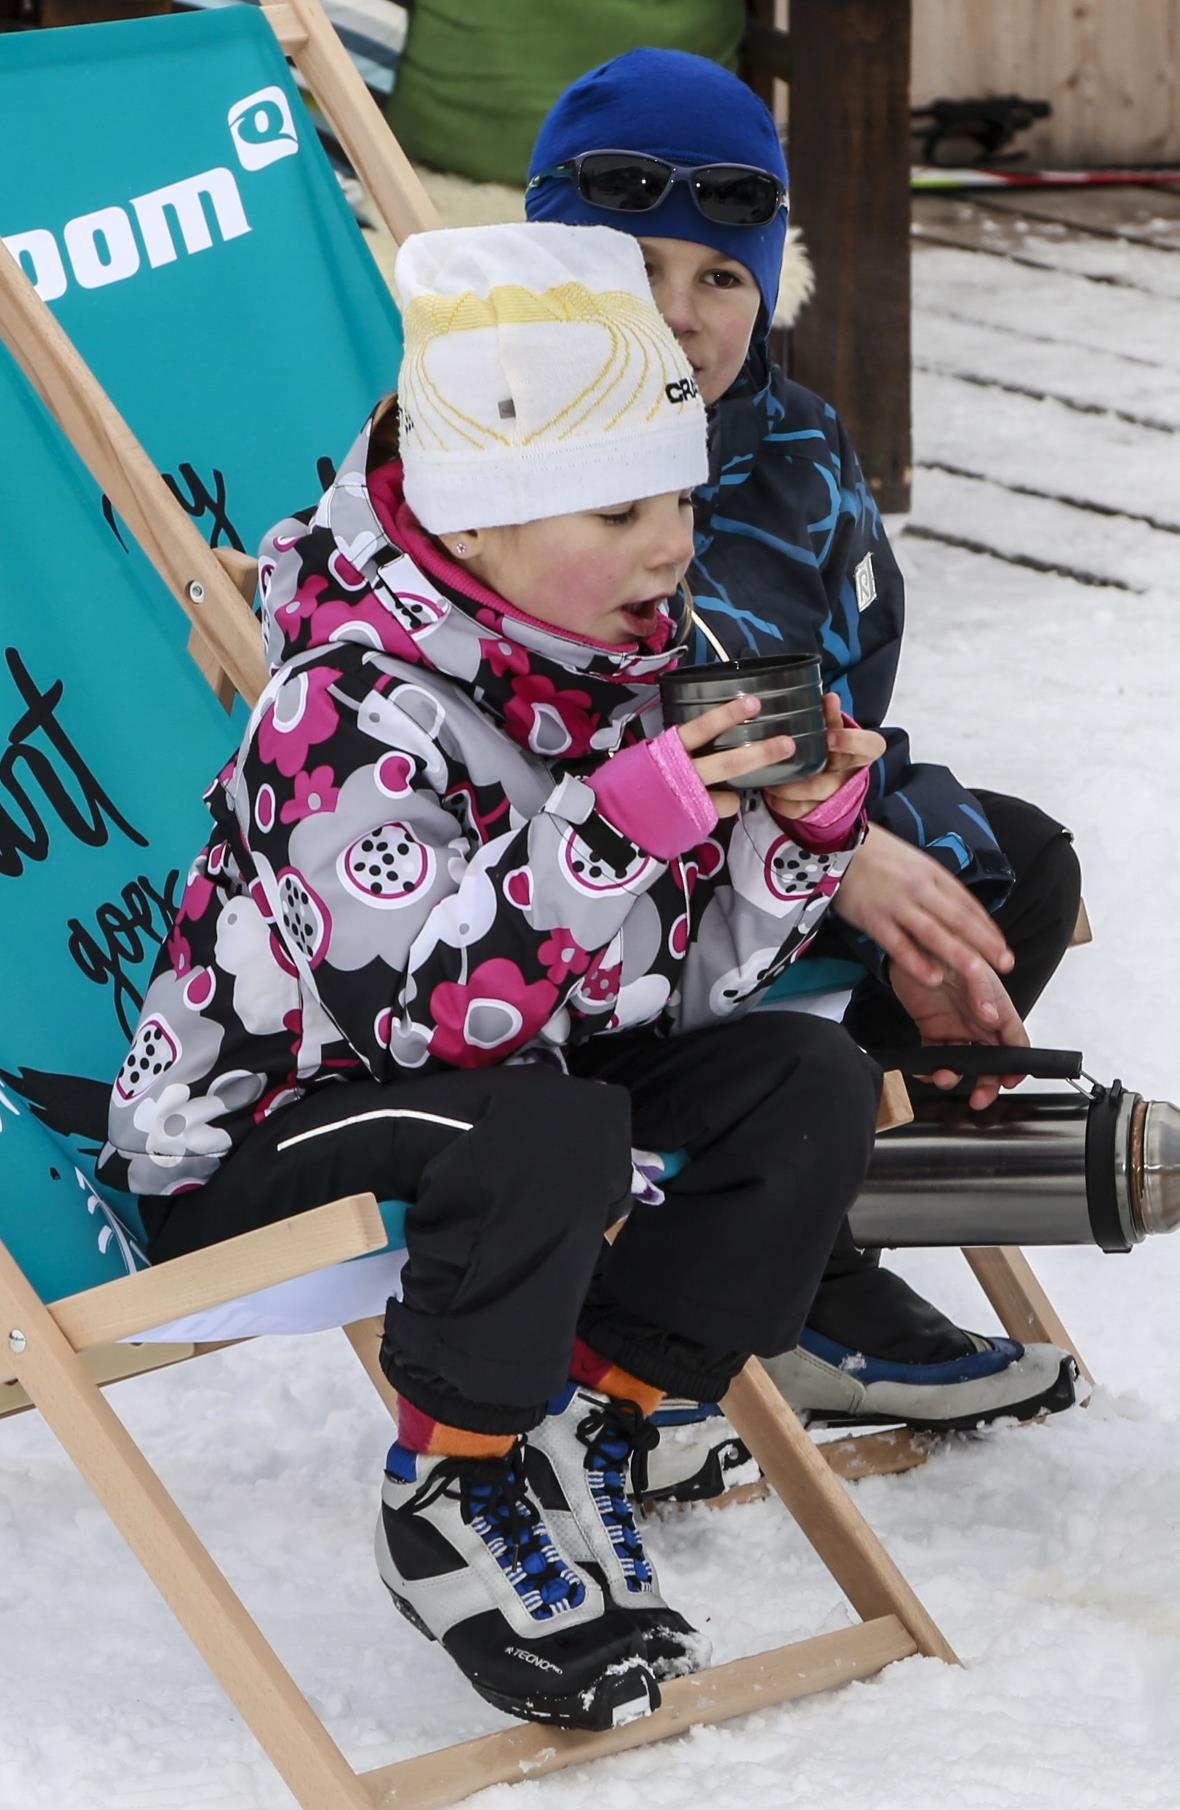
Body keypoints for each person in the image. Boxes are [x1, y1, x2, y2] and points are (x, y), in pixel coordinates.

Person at [98, 222, 887, 1731]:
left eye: (678, 497)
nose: (672, 542)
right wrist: (614, 826)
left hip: (518, 1100)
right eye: (617, 506)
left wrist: (790, 845)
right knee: (550, 1125)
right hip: (267, 1134)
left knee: (805, 1079)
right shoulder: (340, 709)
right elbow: (417, 1019)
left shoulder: (634, 669)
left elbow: (695, 993)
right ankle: (451, 1483)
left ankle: (612, 1409)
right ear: (477, 527)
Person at [525, 50, 1083, 1441]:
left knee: (1009, 872)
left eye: (721, 274)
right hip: (576, 890)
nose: (678, 310)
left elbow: (851, 691)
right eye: (634, 268)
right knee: (911, 897)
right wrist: (844, 858)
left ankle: (808, 1252)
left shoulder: (796, 453)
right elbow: (605, 707)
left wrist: (889, 847)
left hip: (770, 850)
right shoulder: (497, 456)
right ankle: (729, 1273)